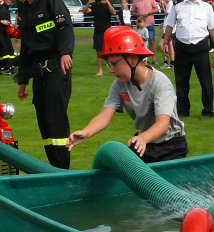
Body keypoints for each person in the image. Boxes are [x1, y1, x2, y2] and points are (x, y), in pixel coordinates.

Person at [68, 27, 188, 163]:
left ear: (132, 58)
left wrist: (143, 138)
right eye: (108, 65)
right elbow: (104, 116)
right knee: (121, 171)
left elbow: (163, 123)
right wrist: (86, 133)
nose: (111, 70)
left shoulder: (160, 82)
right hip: (144, 141)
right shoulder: (119, 84)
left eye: (114, 64)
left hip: (171, 145)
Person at [12, 0, 75, 169]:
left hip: (57, 67)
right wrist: (23, 79)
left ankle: (63, 170)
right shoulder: (25, 10)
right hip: (38, 73)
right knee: (44, 121)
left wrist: (66, 52)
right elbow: (27, 47)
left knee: (56, 119)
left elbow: (65, 27)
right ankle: (53, 168)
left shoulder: (50, 0)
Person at [162, 0, 214, 119]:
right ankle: (182, 110)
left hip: (200, 47)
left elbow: (213, 28)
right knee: (181, 81)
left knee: (206, 82)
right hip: (182, 47)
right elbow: (170, 25)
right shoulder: (177, 6)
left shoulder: (206, 7)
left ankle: (208, 111)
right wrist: (165, 42)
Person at [86, 0, 117, 76]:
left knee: (110, 51)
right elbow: (85, 11)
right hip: (98, 31)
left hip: (107, 31)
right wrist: (89, 2)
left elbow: (113, 12)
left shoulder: (109, 5)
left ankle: (113, 68)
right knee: (99, 52)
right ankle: (100, 71)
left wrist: (107, 2)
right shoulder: (95, 6)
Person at [131, 0, 161, 65]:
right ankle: (143, 58)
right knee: (141, 42)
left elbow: (156, 9)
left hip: (150, 22)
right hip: (140, 24)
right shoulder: (135, 1)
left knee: (152, 41)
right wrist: (138, 14)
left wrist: (148, 13)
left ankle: (154, 58)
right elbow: (133, 12)